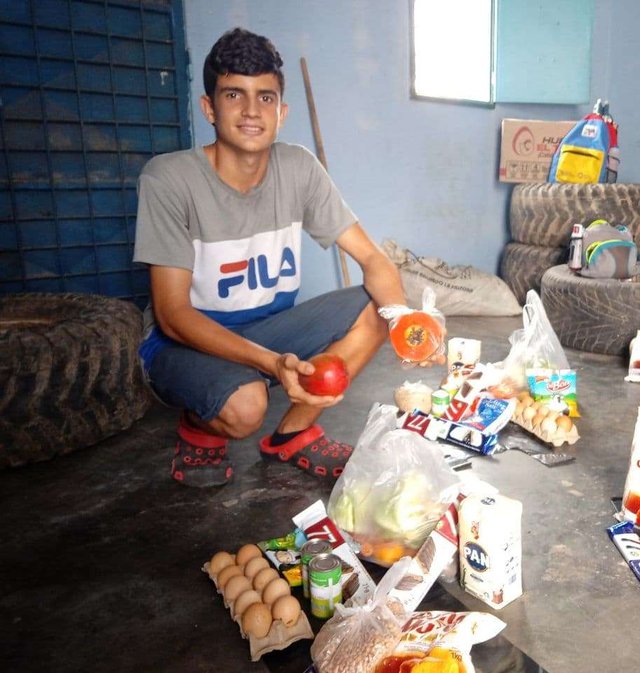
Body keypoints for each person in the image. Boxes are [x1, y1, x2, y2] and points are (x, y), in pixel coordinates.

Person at [133, 27, 432, 488]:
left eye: (266, 98)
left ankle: (294, 433)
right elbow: (173, 316)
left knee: (377, 305)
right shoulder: (170, 179)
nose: (252, 111)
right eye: (235, 94)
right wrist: (273, 364)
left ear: (282, 111)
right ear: (209, 107)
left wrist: (406, 321)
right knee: (246, 406)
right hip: (182, 344)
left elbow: (373, 260)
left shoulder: (298, 168)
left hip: (267, 333)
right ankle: (198, 425)